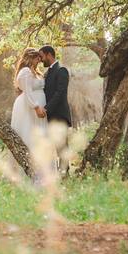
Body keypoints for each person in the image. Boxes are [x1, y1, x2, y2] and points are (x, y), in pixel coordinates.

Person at [40, 45, 72, 174]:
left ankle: (65, 172)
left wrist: (46, 109)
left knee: (62, 145)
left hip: (59, 114)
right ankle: (59, 171)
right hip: (51, 115)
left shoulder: (62, 70)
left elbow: (60, 93)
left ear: (49, 54)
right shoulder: (48, 72)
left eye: (42, 56)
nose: (41, 60)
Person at [9, 47, 48, 153]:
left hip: (39, 105)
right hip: (30, 106)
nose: (39, 61)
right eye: (37, 59)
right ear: (30, 58)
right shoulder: (25, 71)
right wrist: (36, 107)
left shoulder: (35, 72)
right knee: (30, 132)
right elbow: (28, 92)